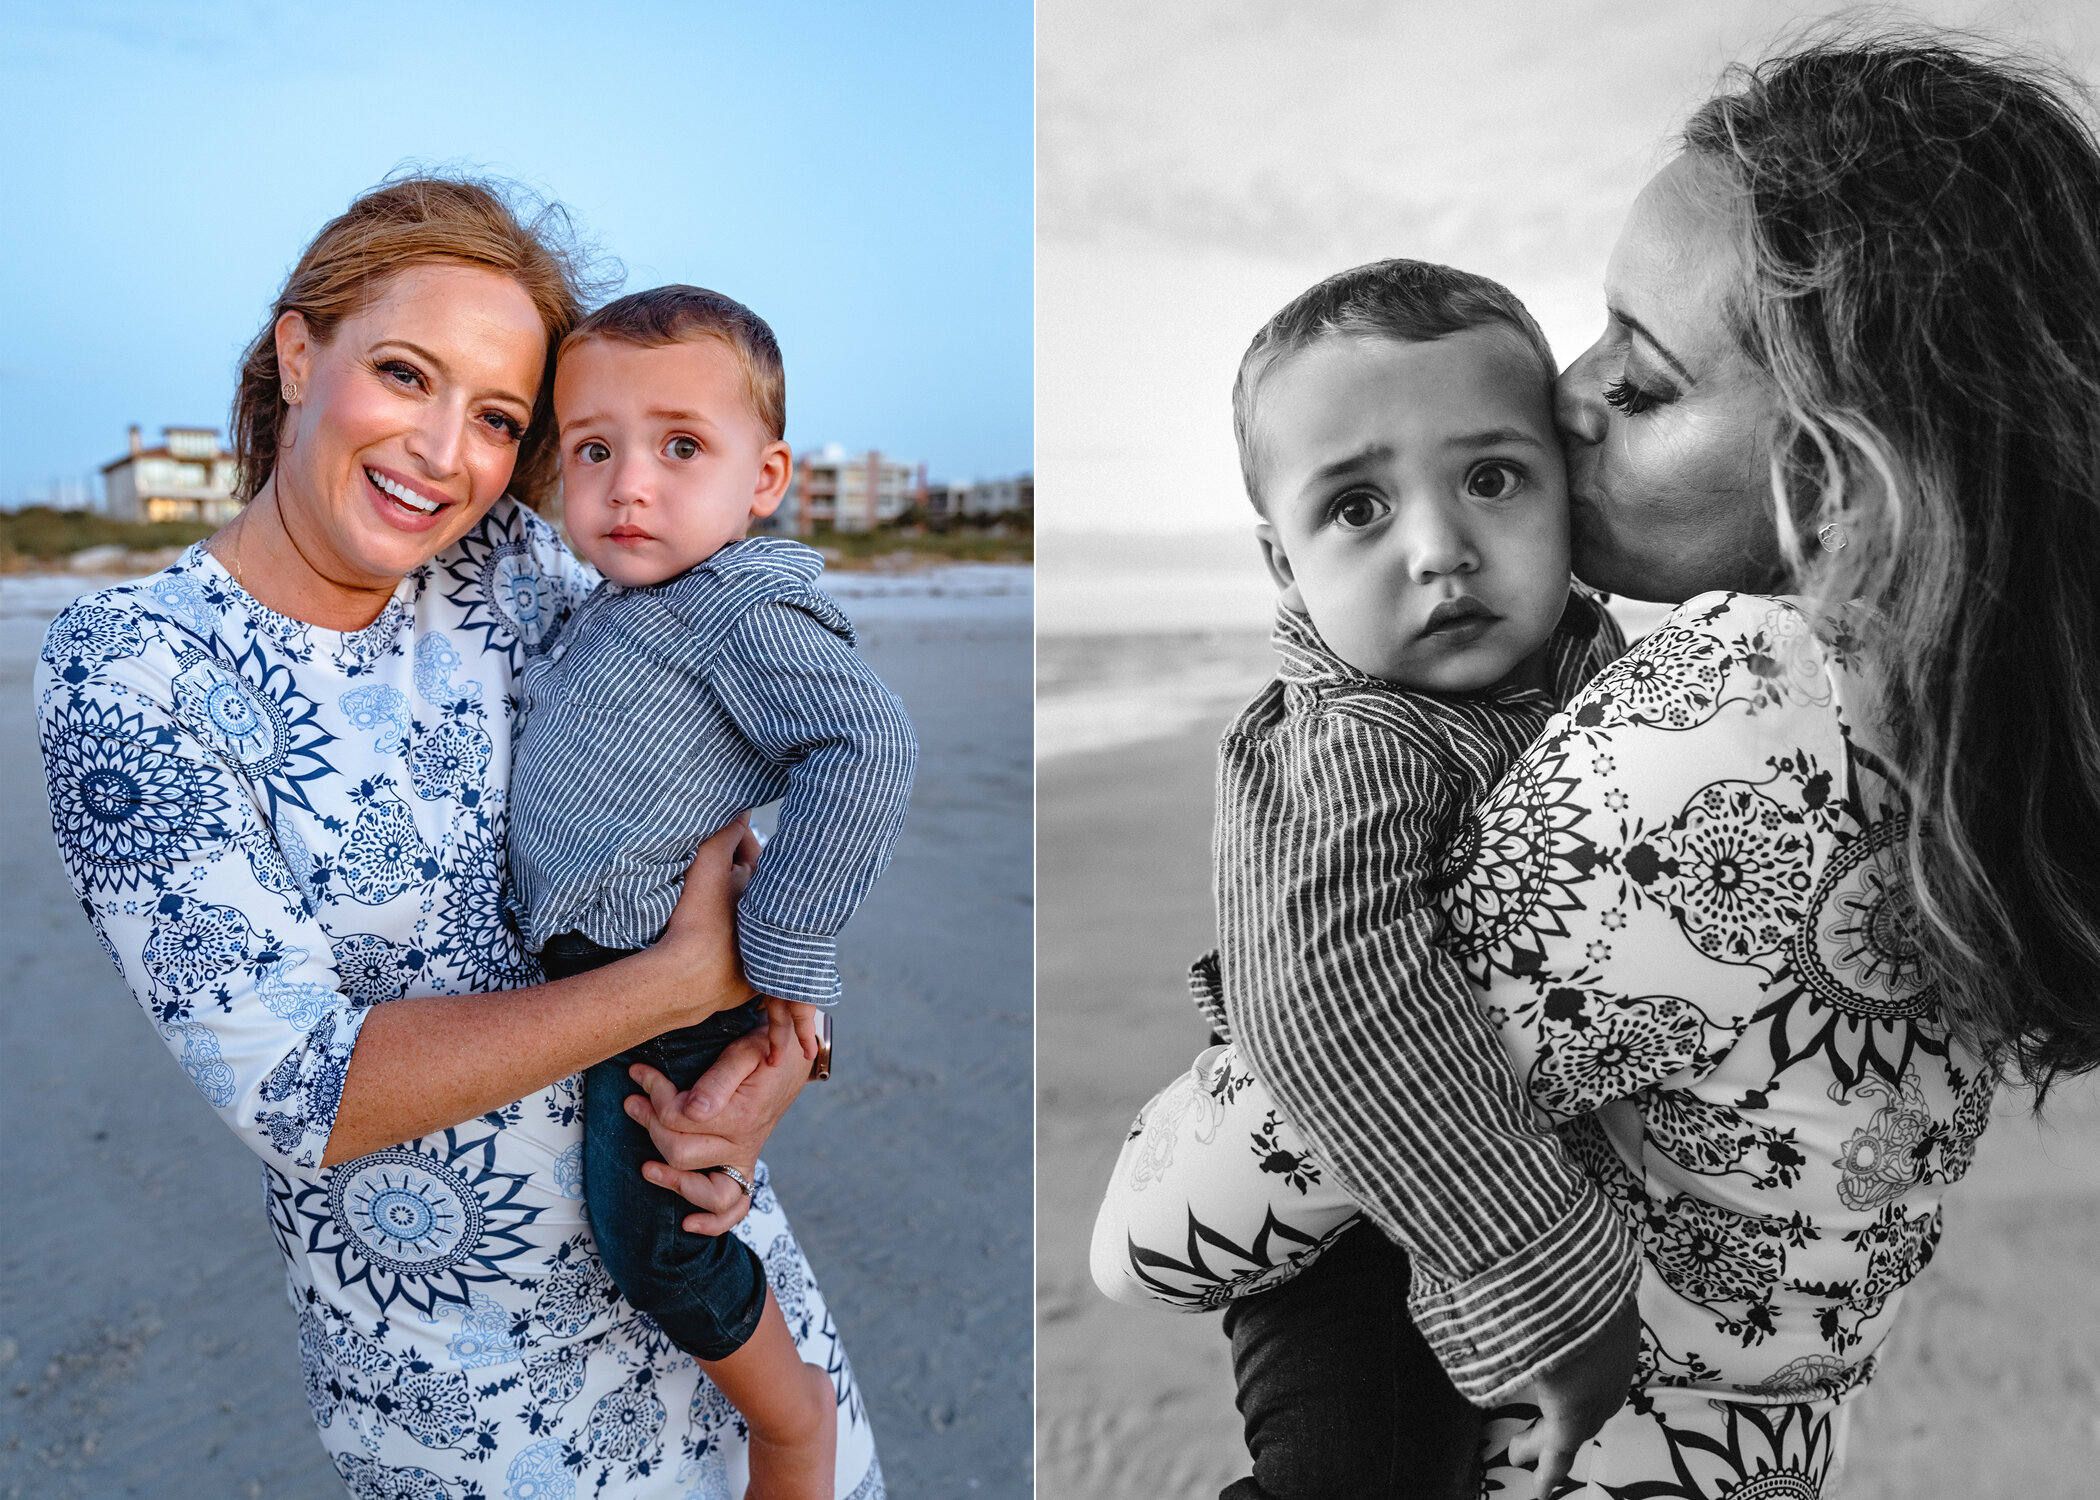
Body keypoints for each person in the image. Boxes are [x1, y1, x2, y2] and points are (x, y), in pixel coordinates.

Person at [1093, 27, 2100, 1499]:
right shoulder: (1969, 726)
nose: (1567, 400)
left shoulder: (1735, 725)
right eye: (1594, 331)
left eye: (1643, 380)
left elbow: (1162, 1230)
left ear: (1832, 470)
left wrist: (1518, 1279)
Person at [34, 175, 884, 1498]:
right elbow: (299, 1092)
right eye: (403, 373)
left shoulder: (509, 572)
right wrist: (684, 981)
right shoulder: (129, 670)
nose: (444, 452)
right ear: (298, 351)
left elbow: (710, 794)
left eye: (495, 417)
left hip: (700, 1269)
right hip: (462, 1385)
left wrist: (781, 1045)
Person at [1089, 259, 1641, 1498]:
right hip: (1355, 1232)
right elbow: (1336, 996)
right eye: (1355, 510)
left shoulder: (1581, 667)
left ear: (1570, 490)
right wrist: (1545, 1282)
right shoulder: (1355, 740)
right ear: (1283, 565)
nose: (1441, 550)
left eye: (1492, 479)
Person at [508, 284, 918, 1498]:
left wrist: (782, 950)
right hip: (609, 982)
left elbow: (869, 746)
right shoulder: (621, 603)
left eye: (681, 447)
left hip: (673, 998)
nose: (630, 484)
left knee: (656, 1243)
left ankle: (792, 1427)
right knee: (638, 1208)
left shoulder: (741, 605)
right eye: (594, 450)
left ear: (765, 476)